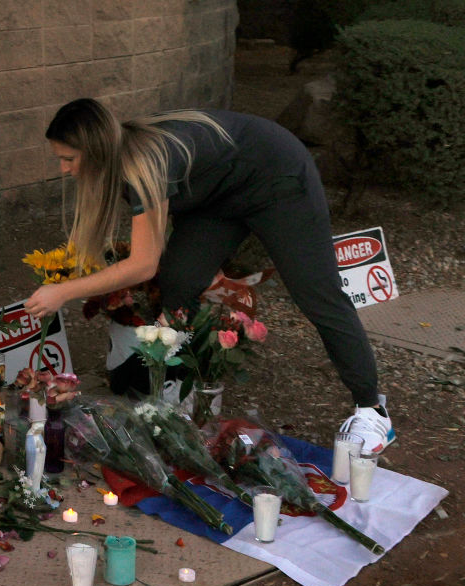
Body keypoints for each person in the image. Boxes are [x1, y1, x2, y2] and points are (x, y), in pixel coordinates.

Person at [24, 98, 395, 453]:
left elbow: (141, 264)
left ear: (97, 149)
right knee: (179, 281)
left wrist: (64, 291)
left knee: (317, 293)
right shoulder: (118, 165)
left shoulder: (144, 164)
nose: (64, 169)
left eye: (69, 159)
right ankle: (174, 392)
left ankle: (372, 410)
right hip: (217, 197)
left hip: (275, 176)